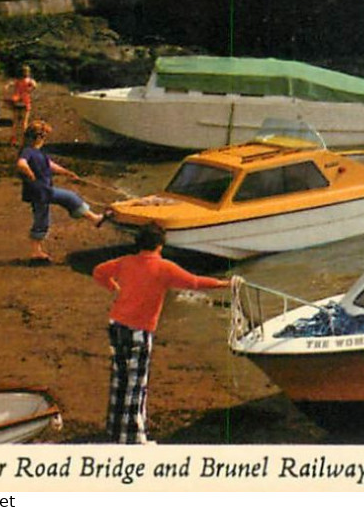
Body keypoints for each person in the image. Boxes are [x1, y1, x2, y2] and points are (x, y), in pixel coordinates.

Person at [93, 224, 230, 445]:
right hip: (139, 329)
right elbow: (194, 282)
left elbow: (99, 272)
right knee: (136, 384)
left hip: (117, 324)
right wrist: (225, 283)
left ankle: (115, 428)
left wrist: (114, 288)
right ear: (160, 245)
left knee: (120, 378)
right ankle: (134, 438)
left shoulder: (126, 261)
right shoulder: (164, 267)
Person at [16, 121, 107, 262]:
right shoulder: (28, 151)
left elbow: (51, 165)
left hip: (44, 190)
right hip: (39, 191)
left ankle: (94, 218)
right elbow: (21, 164)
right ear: (40, 137)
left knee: (60, 205)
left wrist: (67, 172)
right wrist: (29, 173)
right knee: (47, 215)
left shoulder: (38, 152)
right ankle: (35, 251)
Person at [7, 64, 37, 135]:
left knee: (15, 122)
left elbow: (11, 84)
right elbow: (34, 86)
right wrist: (29, 90)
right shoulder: (29, 81)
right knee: (24, 122)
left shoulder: (17, 81)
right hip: (25, 101)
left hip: (17, 101)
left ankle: (13, 138)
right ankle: (24, 137)